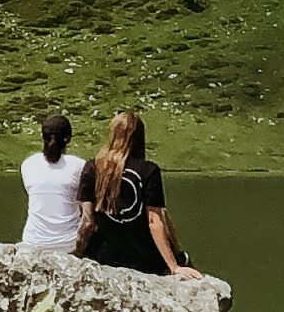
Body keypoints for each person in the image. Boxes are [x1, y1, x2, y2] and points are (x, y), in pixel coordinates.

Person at [75, 109, 202, 278]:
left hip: (103, 258)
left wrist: (76, 257)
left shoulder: (92, 168)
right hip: (144, 261)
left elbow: (87, 222)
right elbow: (154, 221)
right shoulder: (148, 171)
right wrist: (174, 266)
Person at [17, 113, 88, 252]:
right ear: (67, 138)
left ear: (43, 137)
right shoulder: (79, 165)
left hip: (33, 242)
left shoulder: (28, 164)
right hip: (68, 244)